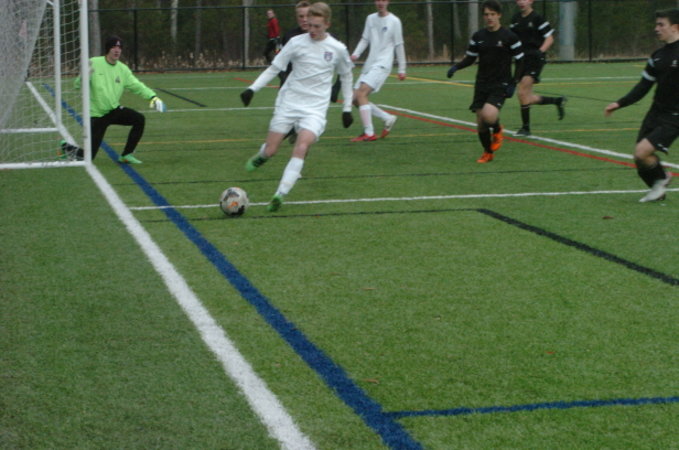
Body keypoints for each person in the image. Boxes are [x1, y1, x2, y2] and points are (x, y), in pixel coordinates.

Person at [239, 2, 355, 212]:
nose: (312, 30)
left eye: (317, 26)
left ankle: (280, 194)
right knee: (271, 150)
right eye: (309, 25)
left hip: (315, 109)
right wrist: (252, 89)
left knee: (301, 146)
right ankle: (262, 156)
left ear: (327, 24)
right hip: (289, 103)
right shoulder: (296, 43)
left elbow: (346, 76)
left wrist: (347, 109)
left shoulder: (338, 49)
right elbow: (275, 67)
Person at [604, 8, 678, 203]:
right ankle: (659, 185)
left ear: (675, 27)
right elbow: (644, 86)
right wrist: (620, 103)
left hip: (675, 116)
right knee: (640, 158)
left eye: (661, 25)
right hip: (656, 112)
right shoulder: (658, 55)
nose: (656, 29)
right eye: (656, 24)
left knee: (642, 152)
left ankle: (661, 180)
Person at [61, 36, 166, 163]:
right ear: (108, 49)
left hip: (113, 110)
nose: (117, 50)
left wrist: (153, 97)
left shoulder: (122, 69)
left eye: (119, 47)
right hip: (96, 115)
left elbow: (137, 86)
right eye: (114, 47)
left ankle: (127, 154)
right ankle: (65, 147)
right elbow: (77, 85)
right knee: (88, 157)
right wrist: (84, 77)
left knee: (139, 119)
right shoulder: (94, 62)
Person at [446, 0, 524, 163]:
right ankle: (488, 153)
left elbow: (521, 61)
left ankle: (497, 128)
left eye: (492, 14)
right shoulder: (478, 36)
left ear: (499, 15)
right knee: (481, 122)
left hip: (500, 83)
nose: (489, 18)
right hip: (482, 83)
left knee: (488, 115)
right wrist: (456, 67)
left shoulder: (510, 37)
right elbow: (470, 58)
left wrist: (513, 82)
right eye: (486, 15)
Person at [349, 0, 406, 142]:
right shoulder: (370, 18)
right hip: (370, 63)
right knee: (354, 99)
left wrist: (402, 68)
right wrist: (355, 54)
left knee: (361, 93)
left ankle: (369, 133)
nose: (380, 2)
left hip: (383, 64)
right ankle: (387, 118)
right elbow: (364, 39)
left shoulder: (394, 21)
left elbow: (399, 45)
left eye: (383, 0)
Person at [510, 0, 566, 136]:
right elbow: (511, 39)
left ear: (531, 1)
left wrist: (540, 52)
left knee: (521, 91)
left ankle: (526, 128)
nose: (522, 2)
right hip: (521, 60)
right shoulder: (515, 19)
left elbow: (549, 38)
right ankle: (557, 101)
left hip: (534, 60)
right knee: (527, 97)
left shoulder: (537, 18)